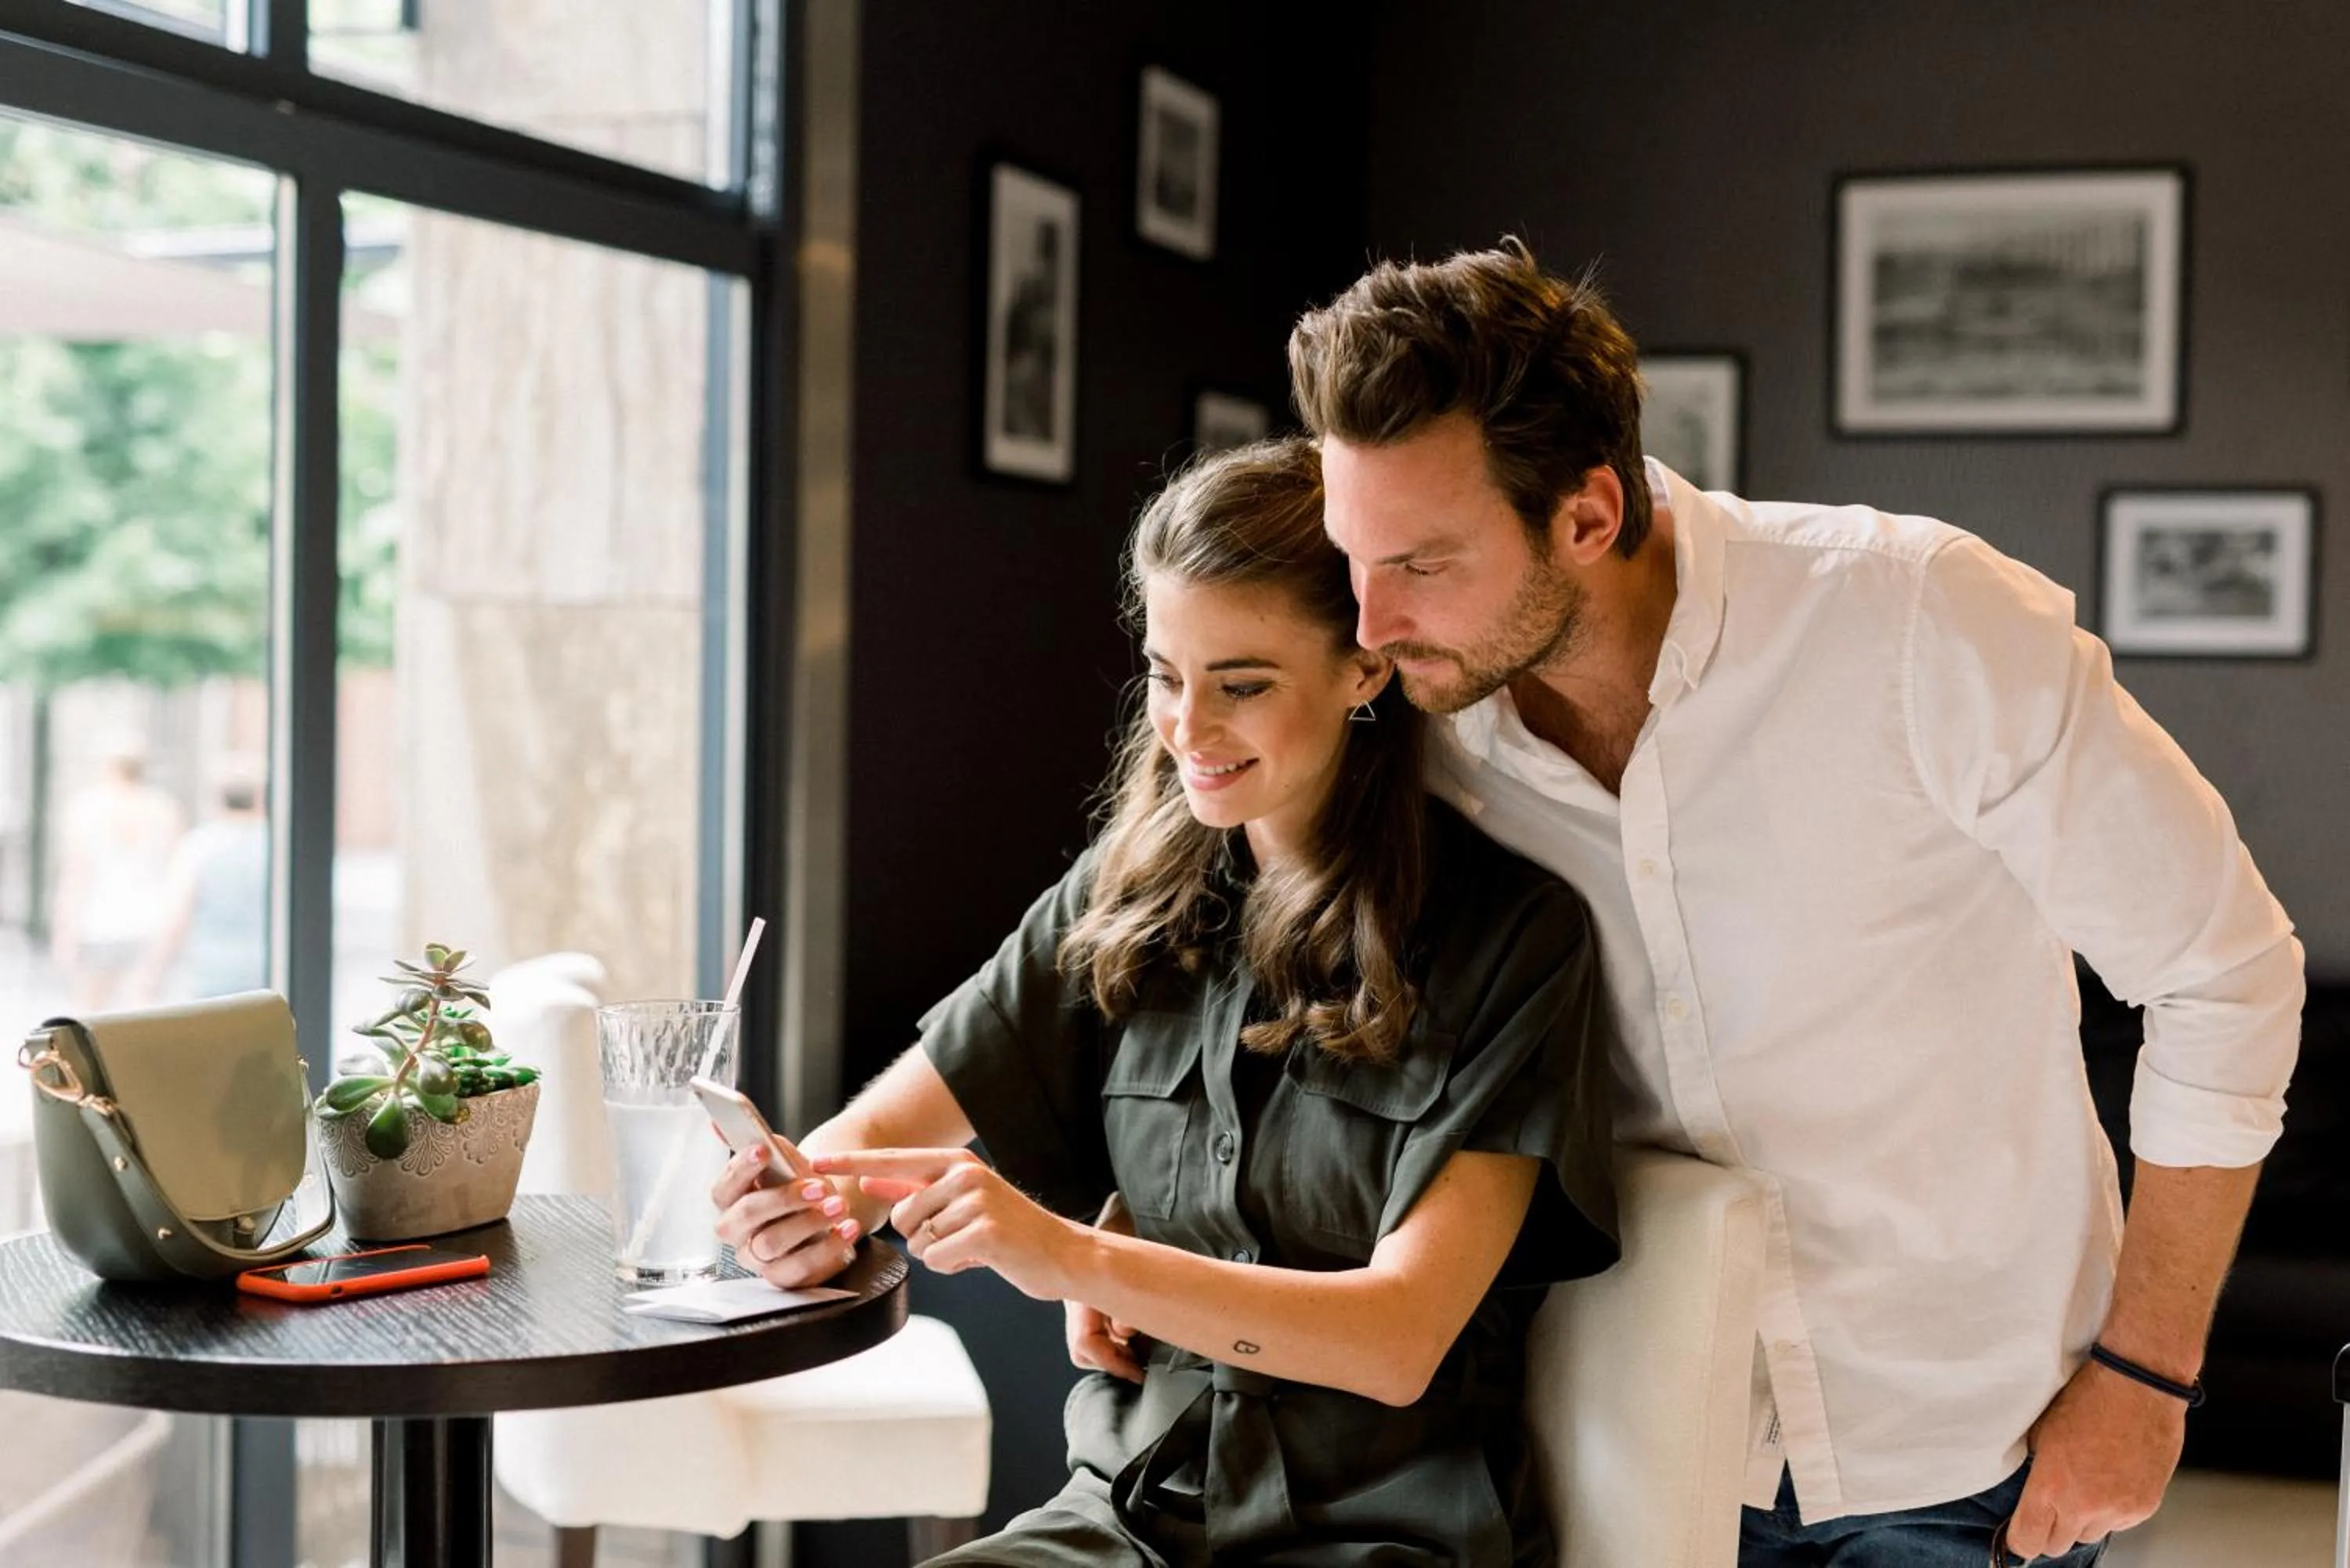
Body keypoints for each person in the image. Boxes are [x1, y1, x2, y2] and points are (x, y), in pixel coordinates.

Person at [1285, 239, 2305, 1566]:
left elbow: (2226, 974)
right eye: (1350, 554)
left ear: (1588, 518)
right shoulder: (1425, 723)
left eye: (1420, 560)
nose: (1368, 618)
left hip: (1974, 1454)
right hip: (1624, 1428)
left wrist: (2150, 1378)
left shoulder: (1916, 619)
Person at [714, 438, 1618, 1566]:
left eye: (1242, 683)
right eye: (1164, 674)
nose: (1188, 727)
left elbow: (1399, 1336)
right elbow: (864, 1144)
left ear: (1365, 669)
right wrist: (805, 1216)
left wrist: (1077, 1260)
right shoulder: (1128, 893)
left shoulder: (1512, 938)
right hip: (1123, 1520)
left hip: (1381, 1537)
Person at [50, 738, 185, 1011]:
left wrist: (64, 928)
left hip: (97, 921)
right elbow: (177, 871)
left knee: (91, 1011)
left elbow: (76, 874)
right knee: (142, 1007)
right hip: (150, 919)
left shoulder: (86, 808)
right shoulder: (164, 808)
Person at [132, 761, 269, 1001]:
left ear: (217, 799)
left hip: (212, 972)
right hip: (268, 968)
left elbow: (178, 915)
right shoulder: (276, 846)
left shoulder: (200, 846)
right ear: (260, 797)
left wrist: (151, 973)